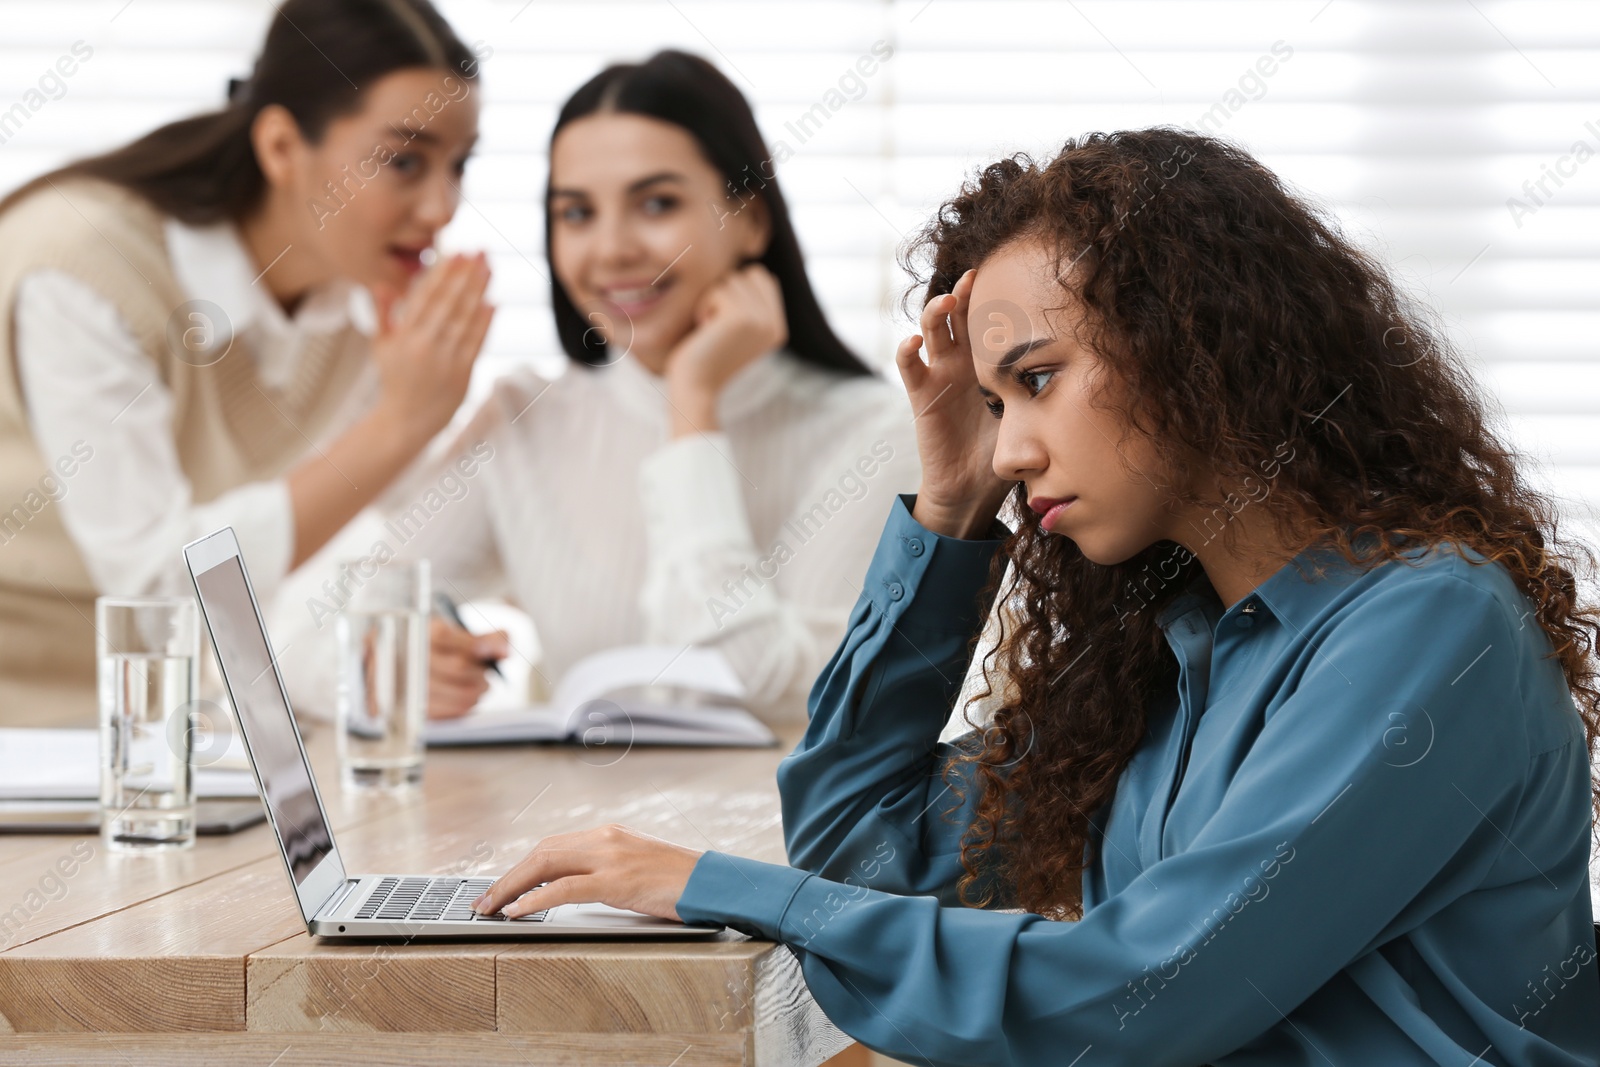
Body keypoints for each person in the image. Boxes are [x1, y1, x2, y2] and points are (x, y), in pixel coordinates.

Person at [469, 129, 1600, 1066]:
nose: (1011, 446)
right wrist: (947, 510)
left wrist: (712, 881)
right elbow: (862, 855)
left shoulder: (1427, 625)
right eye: (994, 402)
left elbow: (1140, 992)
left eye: (1038, 381)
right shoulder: (1176, 651)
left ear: (1191, 344)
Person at [281, 50, 920, 724]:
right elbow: (310, 626)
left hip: (767, 832)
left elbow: (752, 685)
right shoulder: (526, 418)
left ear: (752, 221)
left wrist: (692, 404)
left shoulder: (874, 435)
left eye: (656, 203)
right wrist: (378, 669)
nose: (612, 249)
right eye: (577, 213)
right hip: (572, 827)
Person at [0, 0, 494, 726]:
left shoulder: (362, 294)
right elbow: (158, 593)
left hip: (179, 731)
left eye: (459, 165)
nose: (441, 208)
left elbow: (366, 537)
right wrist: (400, 424)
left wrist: (412, 635)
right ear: (281, 147)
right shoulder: (83, 268)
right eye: (405, 161)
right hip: (32, 726)